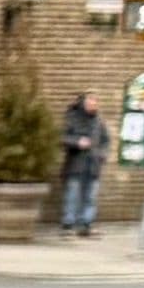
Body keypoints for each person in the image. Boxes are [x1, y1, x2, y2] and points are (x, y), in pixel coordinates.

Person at [59, 92, 110, 236]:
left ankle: (86, 224)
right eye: (90, 102)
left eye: (95, 102)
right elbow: (62, 137)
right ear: (83, 104)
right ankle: (69, 224)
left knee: (90, 197)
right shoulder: (72, 119)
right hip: (76, 164)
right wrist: (77, 142)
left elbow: (105, 140)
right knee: (73, 195)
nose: (93, 105)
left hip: (93, 165)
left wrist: (102, 154)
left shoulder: (99, 121)